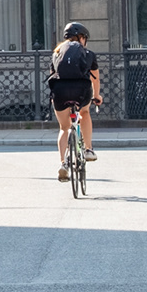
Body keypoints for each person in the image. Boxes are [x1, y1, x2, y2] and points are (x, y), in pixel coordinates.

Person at [48, 22, 101, 179]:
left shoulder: (57, 53)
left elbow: (53, 75)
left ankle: (63, 163)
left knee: (64, 128)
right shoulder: (88, 53)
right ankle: (88, 149)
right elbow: (95, 79)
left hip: (60, 93)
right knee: (84, 113)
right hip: (81, 92)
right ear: (82, 38)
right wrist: (97, 96)